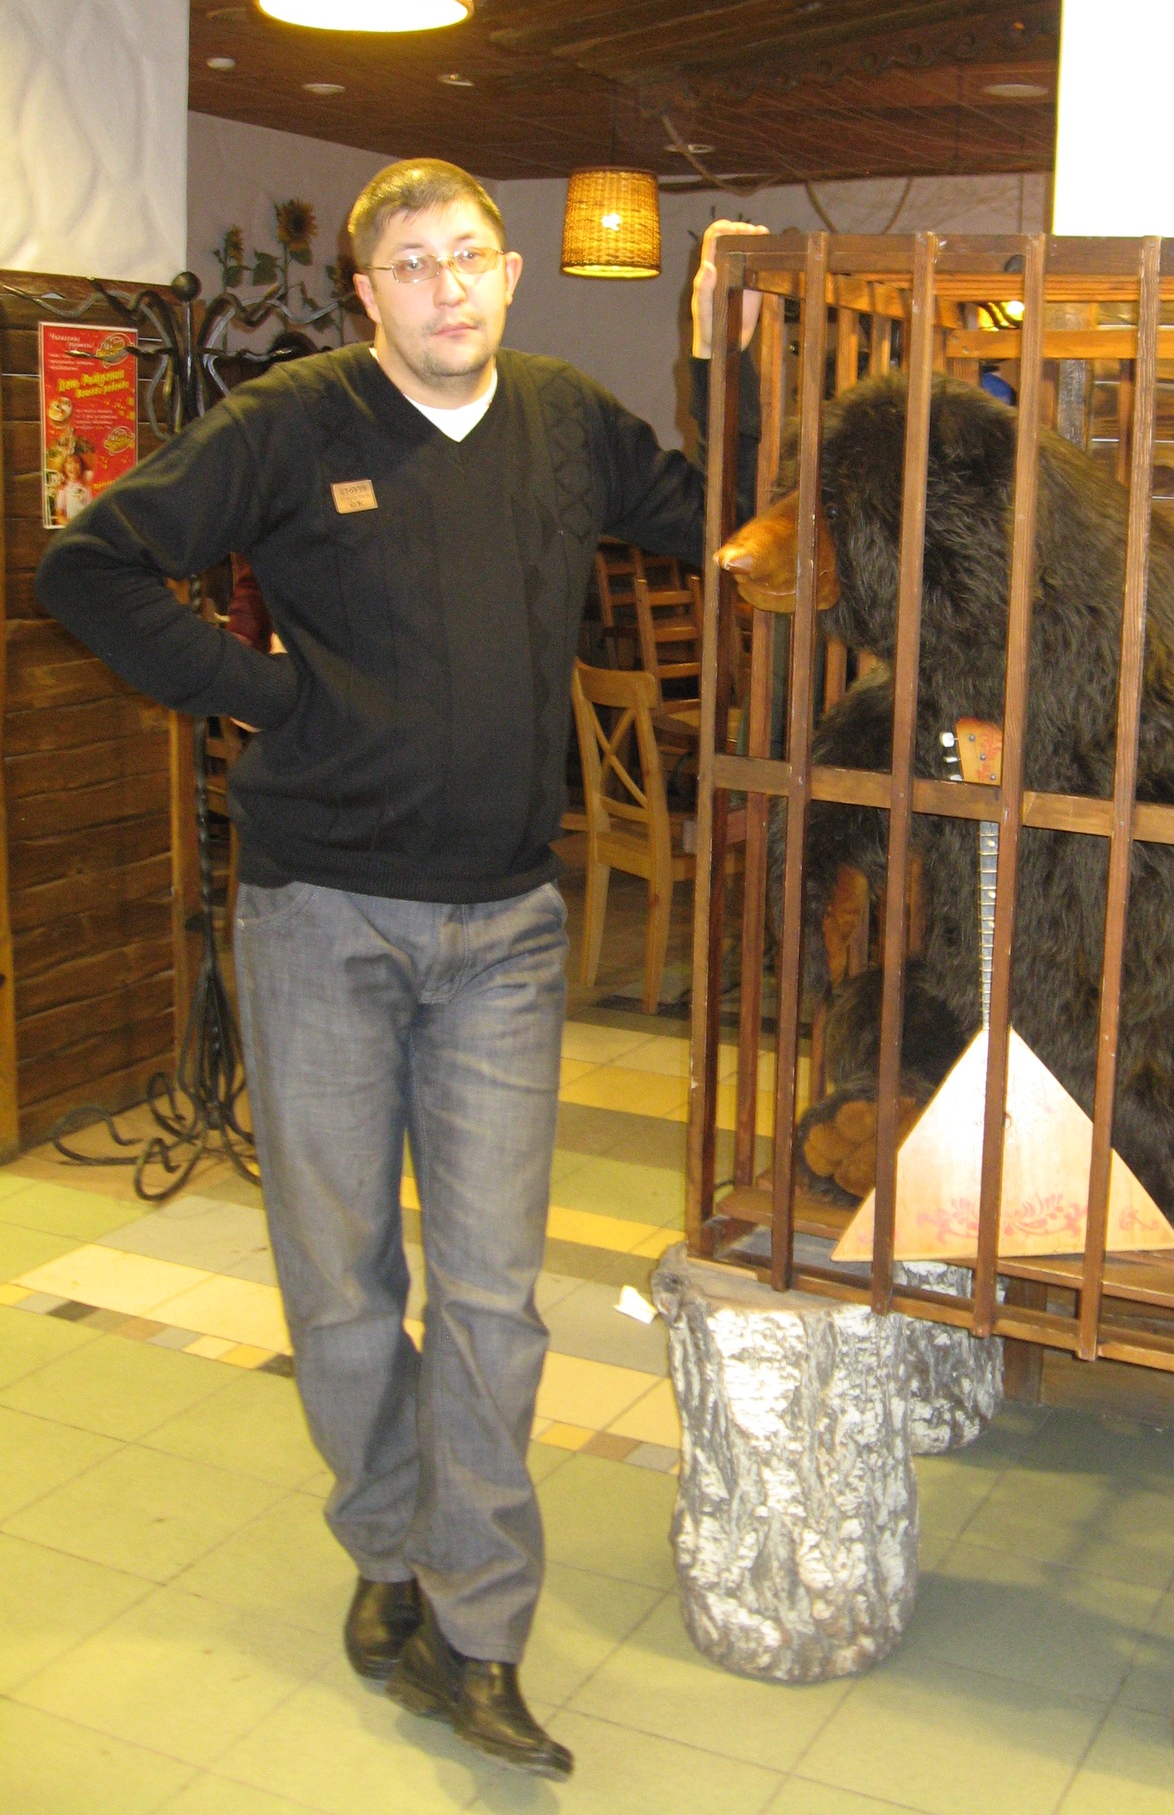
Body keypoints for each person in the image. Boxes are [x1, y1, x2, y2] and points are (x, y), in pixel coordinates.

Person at [34, 158, 705, 1781]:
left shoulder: (564, 422)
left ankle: (478, 1627)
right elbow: (88, 564)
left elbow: (722, 521)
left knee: (491, 1303)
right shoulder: (292, 423)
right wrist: (263, 694)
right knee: (341, 1290)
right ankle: (387, 1543)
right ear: (366, 294)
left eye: (469, 255)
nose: (447, 286)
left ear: (512, 271)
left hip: (505, 937)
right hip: (319, 920)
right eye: (412, 264)